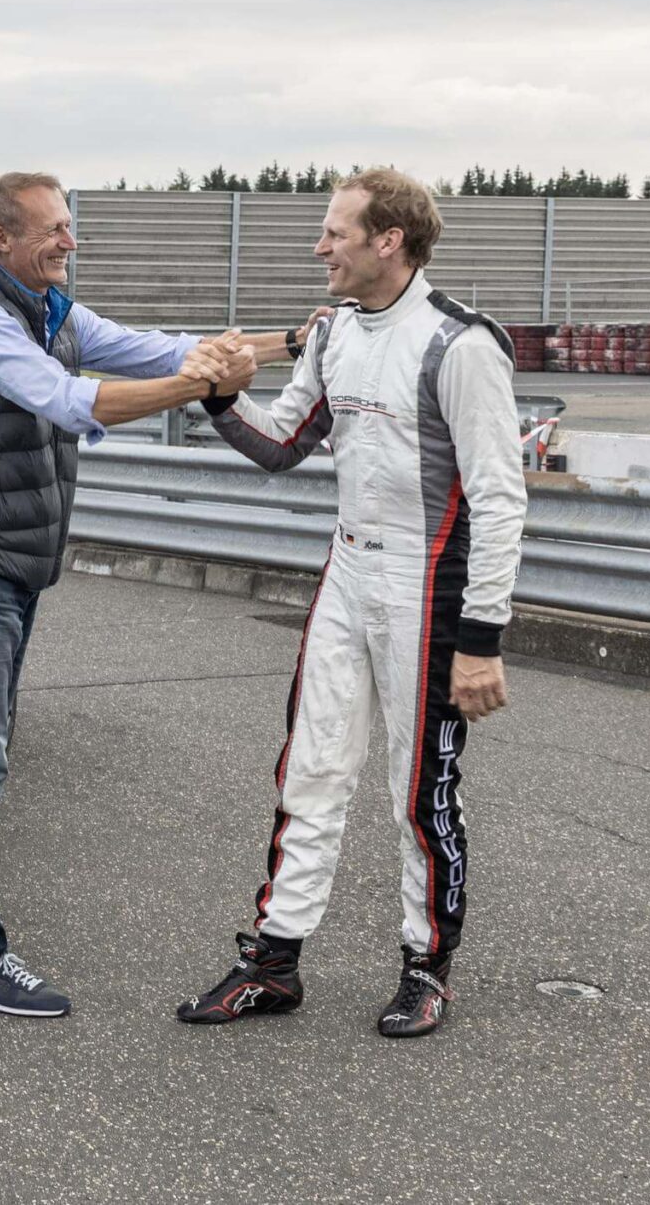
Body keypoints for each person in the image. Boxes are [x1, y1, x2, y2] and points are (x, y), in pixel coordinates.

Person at [0, 172, 311, 1018]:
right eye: (51, 230)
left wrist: (288, 341)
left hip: (12, 558)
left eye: (69, 227)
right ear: (1, 239)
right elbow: (72, 401)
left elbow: (157, 348)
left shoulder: (55, 313)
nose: (69, 242)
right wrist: (201, 386)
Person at [173, 167, 524, 1039]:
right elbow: (283, 444)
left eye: (334, 233)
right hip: (346, 572)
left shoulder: (462, 344)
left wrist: (481, 639)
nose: (318, 247)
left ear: (388, 241)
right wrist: (221, 397)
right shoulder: (332, 332)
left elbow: (501, 498)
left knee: (420, 790)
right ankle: (275, 961)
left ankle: (426, 967)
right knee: (311, 768)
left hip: (430, 588)